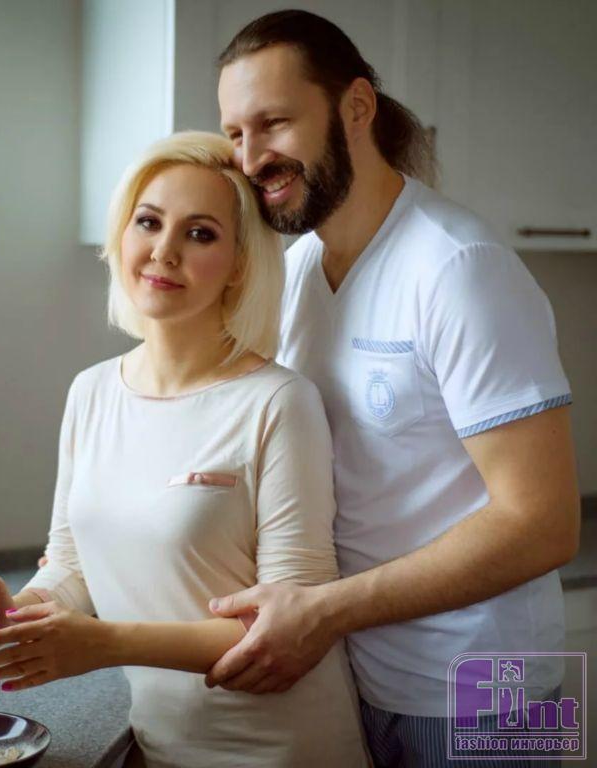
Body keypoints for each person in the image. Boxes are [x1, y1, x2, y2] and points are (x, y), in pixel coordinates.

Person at [206, 10, 581, 766]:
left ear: (356, 106)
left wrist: (324, 611)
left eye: (274, 123)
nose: (250, 159)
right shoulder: (299, 273)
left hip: (490, 696)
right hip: (362, 678)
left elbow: (543, 523)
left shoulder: (459, 269)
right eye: (236, 134)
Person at [0, 131, 368, 768]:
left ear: (239, 264)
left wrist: (103, 644)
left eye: (200, 234)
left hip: (283, 750)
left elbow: (291, 627)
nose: (164, 251)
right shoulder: (91, 392)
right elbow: (73, 566)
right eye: (148, 222)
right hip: (161, 746)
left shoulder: (279, 403)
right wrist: (17, 610)